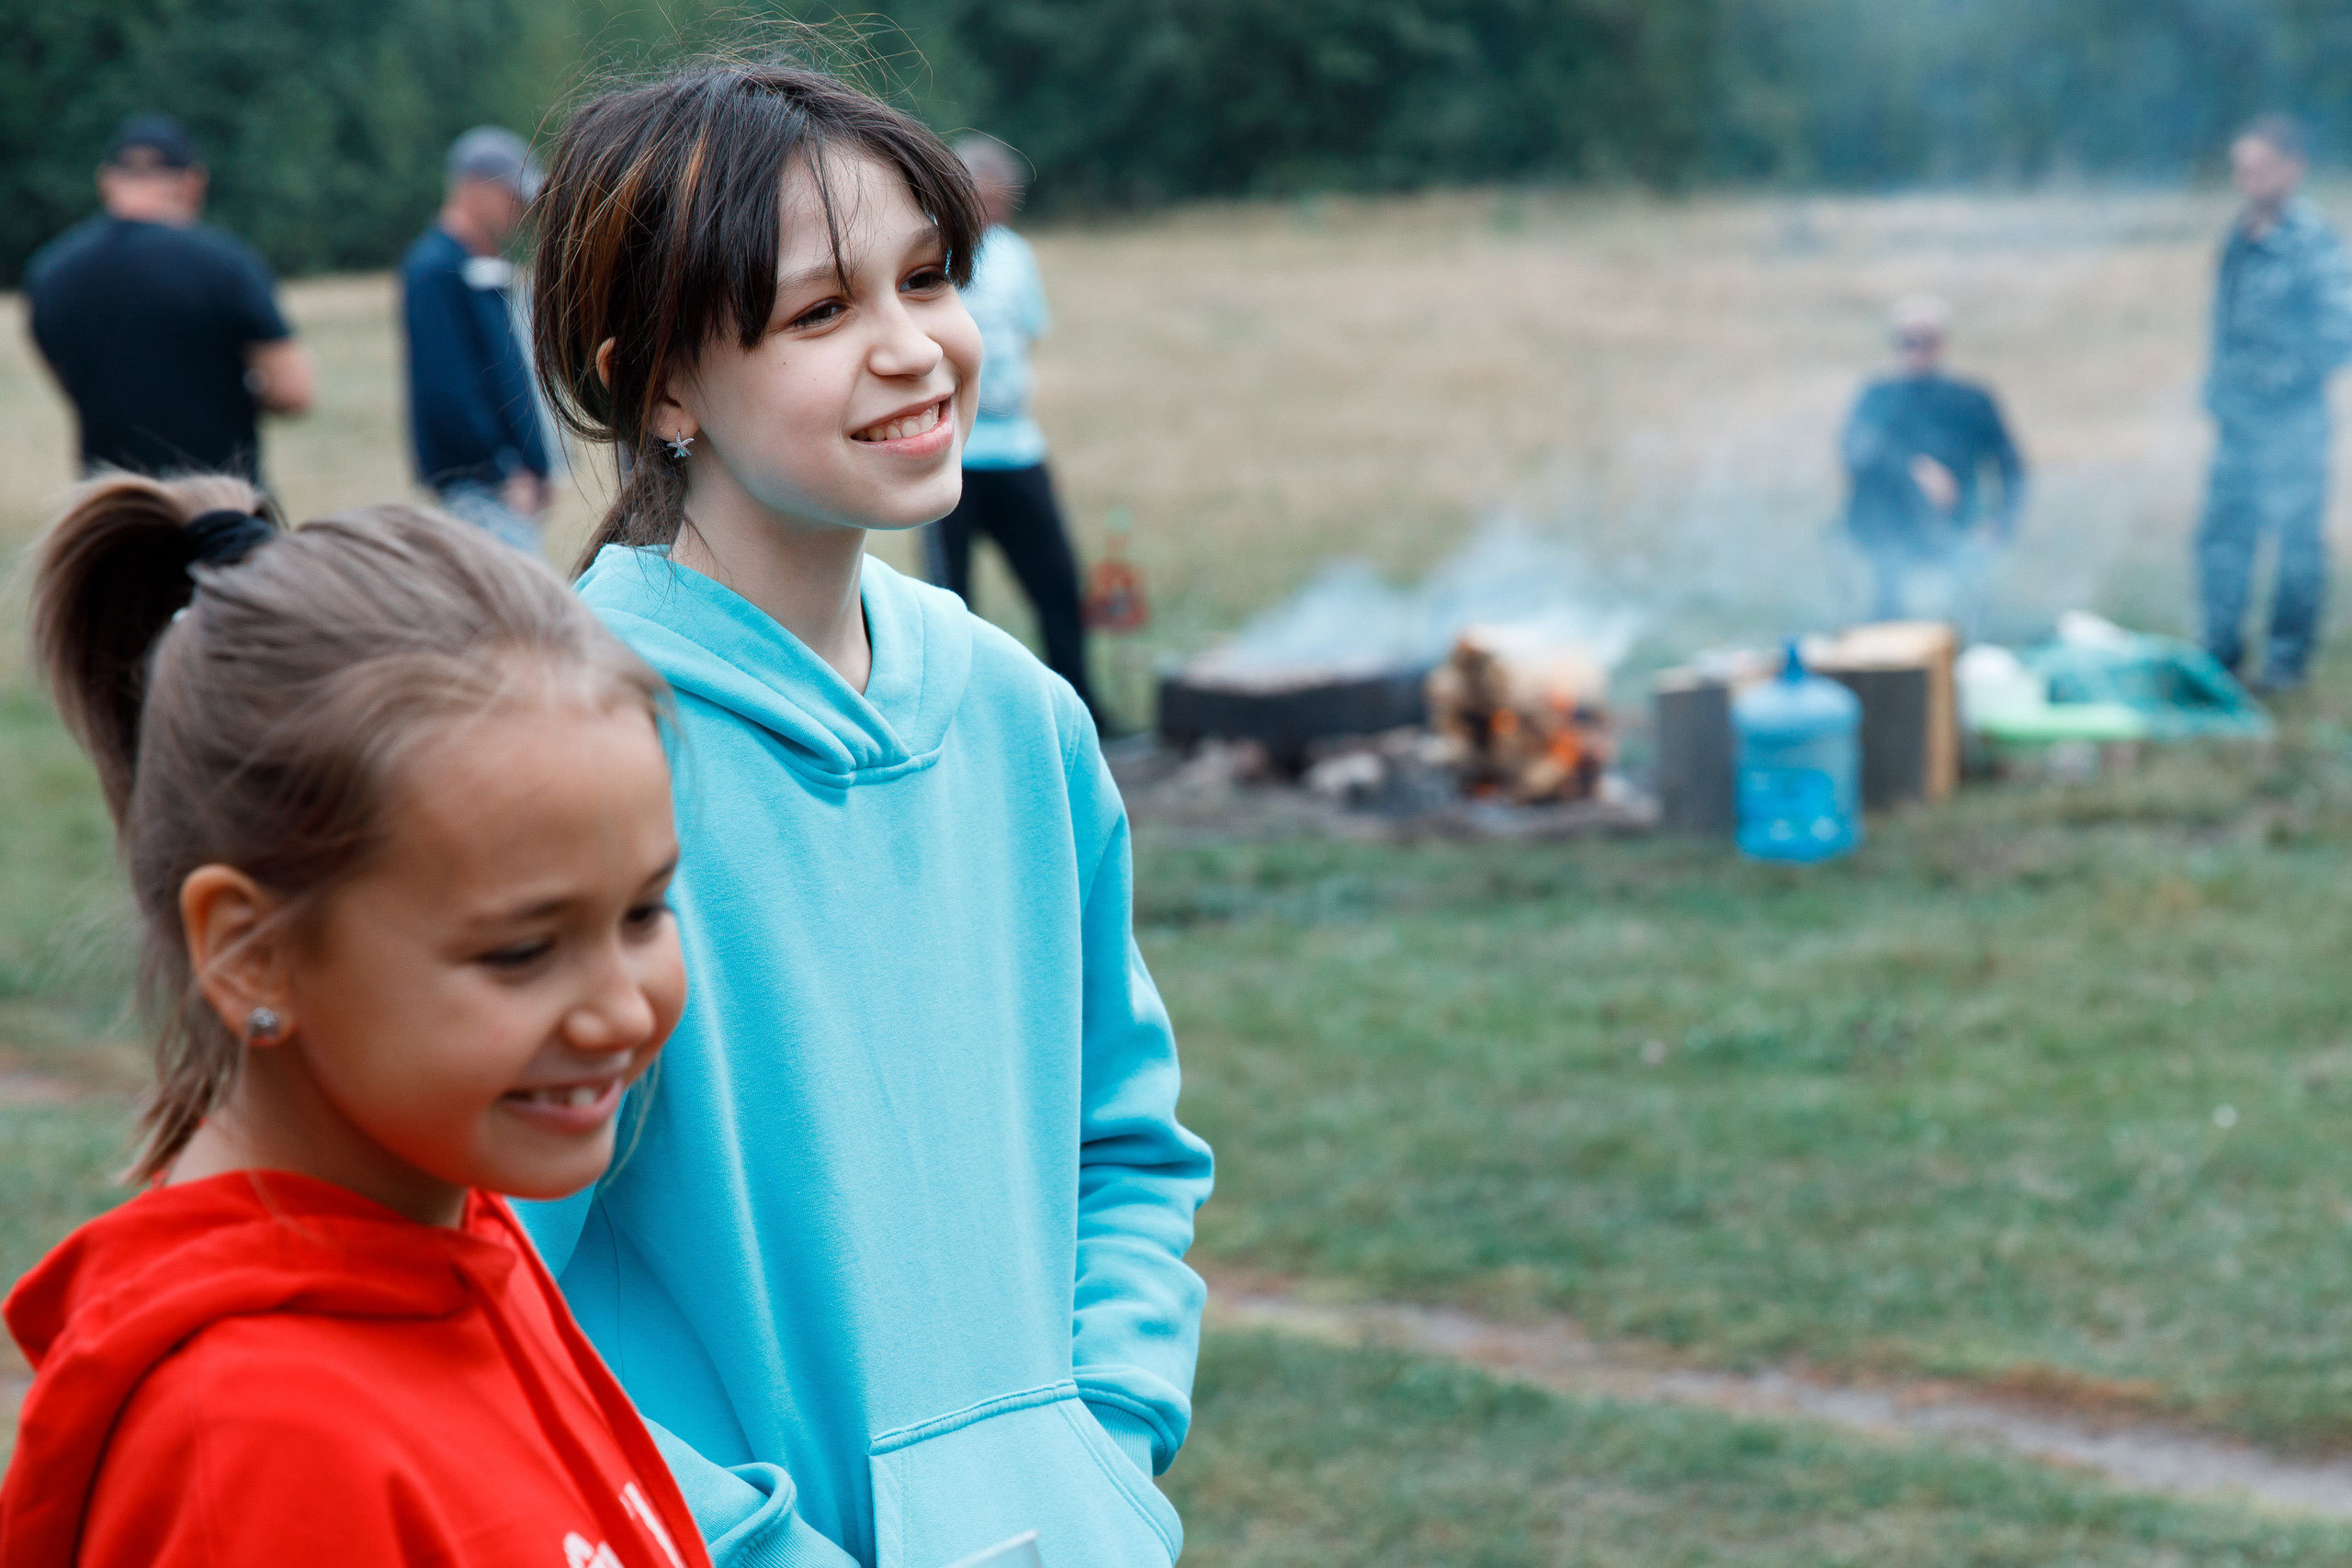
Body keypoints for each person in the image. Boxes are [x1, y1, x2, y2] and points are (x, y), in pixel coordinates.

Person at [526, 58, 1213, 1568]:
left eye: (928, 279)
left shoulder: (1022, 713)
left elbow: (1127, 1145)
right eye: (824, 311)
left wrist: (1098, 1447)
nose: (915, 351)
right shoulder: (550, 755)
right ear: (659, 383)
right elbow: (495, 1298)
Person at [0, 478, 705, 1568]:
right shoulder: (251, 1455)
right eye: (522, 949)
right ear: (251, 950)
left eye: (644, 911)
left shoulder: (457, 1233)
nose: (622, 1008)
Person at [924, 134, 1109, 728]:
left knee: (1058, 583)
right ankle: (961, 724)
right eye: (986, 191)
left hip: (1016, 451)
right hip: (949, 456)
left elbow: (1026, 333)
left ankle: (1081, 709)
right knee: (952, 601)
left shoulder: (1015, 256)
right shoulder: (928, 254)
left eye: (1005, 193)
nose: (997, 202)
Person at [24, 114, 313, 482]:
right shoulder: (225, 263)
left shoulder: (50, 272)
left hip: (109, 509)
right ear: (193, 183)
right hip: (220, 499)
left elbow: (66, 381)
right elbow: (293, 392)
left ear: (106, 180)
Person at [2196, 113, 2352, 693]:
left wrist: (2274, 385)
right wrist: (2216, 389)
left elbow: (2340, 334)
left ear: (2292, 168)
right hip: (2236, 423)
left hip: (2294, 424)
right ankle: (2219, 657)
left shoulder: (2312, 241)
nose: (2247, 179)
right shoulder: (2238, 236)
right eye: (2241, 168)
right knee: (2222, 538)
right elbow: (2225, 324)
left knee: (2295, 544)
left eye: (2258, 167)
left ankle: (2286, 666)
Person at [402, 127, 554, 552]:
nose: (520, 209)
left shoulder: (479, 263)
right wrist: (502, 470)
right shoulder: (435, 269)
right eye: (511, 195)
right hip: (483, 490)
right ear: (473, 187)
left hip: (506, 487)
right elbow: (446, 386)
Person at [1838, 295, 2024, 627]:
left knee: (1964, 624)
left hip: (1956, 533)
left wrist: (1999, 525)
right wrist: (1916, 469)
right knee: (1889, 629)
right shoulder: (1877, 397)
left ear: (1943, 343)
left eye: (1925, 341)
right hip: (1887, 539)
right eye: (1906, 342)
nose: (1915, 350)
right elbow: (1856, 452)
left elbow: (2011, 467)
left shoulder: (1971, 399)